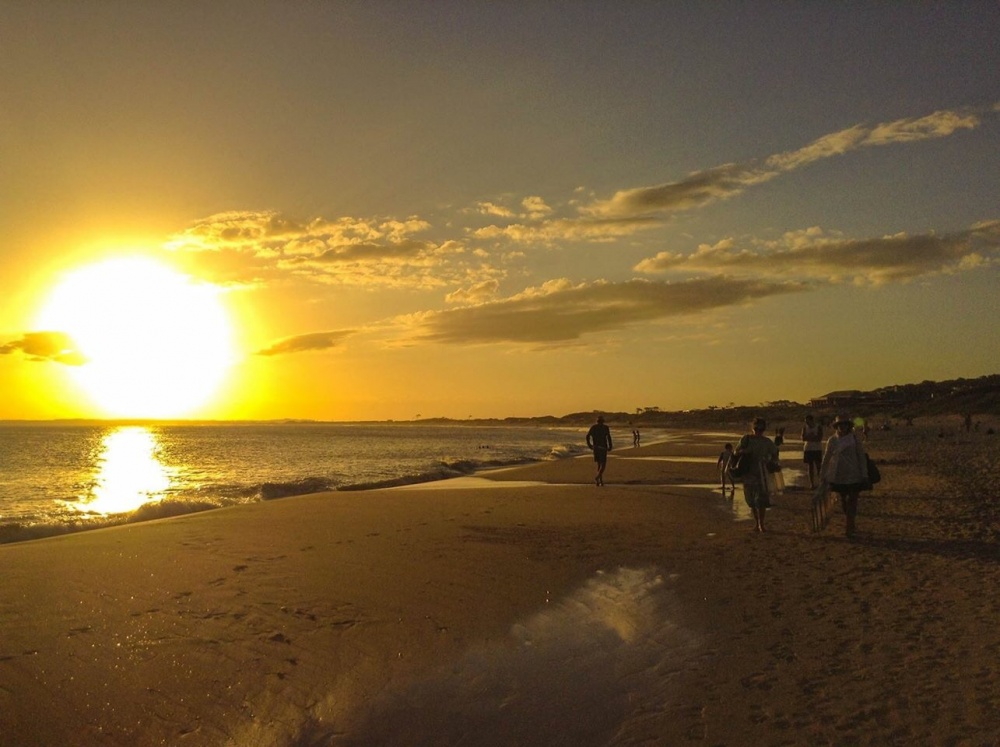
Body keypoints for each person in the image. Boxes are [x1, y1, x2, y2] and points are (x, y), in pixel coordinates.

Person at [819, 414, 870, 538]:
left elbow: (861, 457)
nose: (842, 427)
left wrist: (864, 474)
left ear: (848, 426)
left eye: (845, 425)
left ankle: (850, 526)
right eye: (840, 425)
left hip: (854, 474)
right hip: (838, 475)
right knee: (843, 501)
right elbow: (826, 458)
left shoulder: (854, 439)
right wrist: (822, 474)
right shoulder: (832, 440)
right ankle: (850, 522)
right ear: (836, 427)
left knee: (852, 500)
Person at [732, 417, 779, 532]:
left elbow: (775, 453)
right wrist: (744, 452)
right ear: (753, 428)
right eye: (757, 428)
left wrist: (770, 462)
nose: (758, 430)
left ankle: (761, 524)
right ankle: (757, 522)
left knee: (761, 500)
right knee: (751, 500)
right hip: (748, 472)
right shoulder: (746, 439)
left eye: (761, 428)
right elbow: (736, 452)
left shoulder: (767, 441)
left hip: (761, 473)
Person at [586, 415, 613, 486]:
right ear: (603, 421)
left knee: (599, 464)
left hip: (596, 448)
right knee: (603, 465)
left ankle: (600, 481)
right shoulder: (605, 427)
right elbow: (608, 437)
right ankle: (597, 478)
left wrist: (589, 445)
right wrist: (610, 446)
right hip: (602, 447)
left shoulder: (594, 427)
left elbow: (587, 436)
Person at [801, 414, 824, 489]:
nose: (807, 423)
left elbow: (819, 438)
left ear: (812, 420)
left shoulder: (818, 427)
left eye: (808, 421)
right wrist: (812, 437)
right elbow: (803, 438)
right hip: (808, 448)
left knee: (818, 466)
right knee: (810, 467)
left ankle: (821, 483)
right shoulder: (805, 427)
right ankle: (812, 484)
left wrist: (809, 437)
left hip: (817, 448)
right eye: (806, 421)